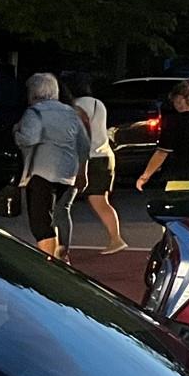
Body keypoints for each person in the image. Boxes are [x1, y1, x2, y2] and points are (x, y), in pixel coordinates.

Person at [12, 73, 91, 259]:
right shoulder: (71, 112)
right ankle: (61, 254)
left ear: (33, 92)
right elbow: (84, 145)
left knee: (41, 224)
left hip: (41, 172)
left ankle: (49, 262)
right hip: (68, 172)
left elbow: (29, 138)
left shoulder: (35, 112)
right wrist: (82, 172)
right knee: (58, 215)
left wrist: (16, 132)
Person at [60, 70, 127, 255]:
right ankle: (115, 238)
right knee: (101, 199)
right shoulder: (99, 104)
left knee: (91, 200)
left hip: (91, 157)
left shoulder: (75, 106)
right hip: (106, 154)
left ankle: (116, 239)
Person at [136, 79, 189, 195]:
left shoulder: (173, 121)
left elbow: (162, 153)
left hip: (179, 178)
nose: (174, 105)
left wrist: (145, 176)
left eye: (175, 101)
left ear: (181, 99)